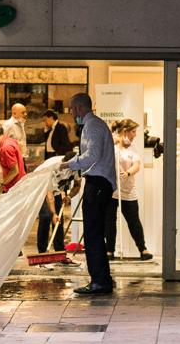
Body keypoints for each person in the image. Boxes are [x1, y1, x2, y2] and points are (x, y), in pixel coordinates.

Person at [60, 93, 116, 294]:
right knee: (94, 232)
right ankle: (102, 278)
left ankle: (99, 281)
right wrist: (73, 160)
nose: (71, 113)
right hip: (99, 182)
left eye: (72, 109)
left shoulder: (92, 126)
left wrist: (69, 164)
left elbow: (93, 155)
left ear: (80, 108)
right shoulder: (94, 125)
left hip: (98, 183)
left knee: (92, 233)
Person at [105, 119, 153, 261]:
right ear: (124, 132)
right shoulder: (112, 148)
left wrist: (128, 172)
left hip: (128, 190)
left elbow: (137, 165)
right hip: (112, 190)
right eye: (133, 132)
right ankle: (109, 250)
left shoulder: (133, 150)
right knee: (110, 221)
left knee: (133, 220)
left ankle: (143, 249)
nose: (135, 135)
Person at [36, 110, 74, 257]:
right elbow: (49, 193)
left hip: (55, 184)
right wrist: (52, 212)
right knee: (46, 216)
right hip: (43, 186)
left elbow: (75, 184)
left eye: (46, 120)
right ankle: (42, 251)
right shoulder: (52, 168)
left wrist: (68, 195)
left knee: (59, 218)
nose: (45, 122)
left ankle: (59, 249)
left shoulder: (61, 128)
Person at [0, 126, 26, 194]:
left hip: (14, 188)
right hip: (17, 185)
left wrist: (2, 185)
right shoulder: (9, 140)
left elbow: (15, 171)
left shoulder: (6, 148)